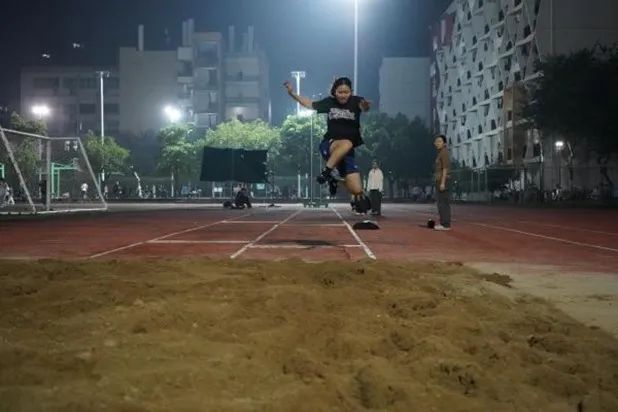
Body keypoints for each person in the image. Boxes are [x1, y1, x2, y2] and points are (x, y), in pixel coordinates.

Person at [284, 76, 371, 213]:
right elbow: (308, 103)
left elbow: (364, 107)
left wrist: (365, 106)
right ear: (334, 92)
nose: (343, 95)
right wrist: (292, 93)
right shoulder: (329, 102)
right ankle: (327, 172)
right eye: (340, 92)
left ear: (351, 92)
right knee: (347, 142)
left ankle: (334, 179)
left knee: (357, 190)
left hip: (347, 153)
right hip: (330, 145)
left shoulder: (356, 101)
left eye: (346, 92)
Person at [434, 134, 451, 231]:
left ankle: (445, 224)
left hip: (443, 180)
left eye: (440, 141)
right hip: (439, 180)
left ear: (444, 143)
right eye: (436, 141)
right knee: (440, 203)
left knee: (443, 203)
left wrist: (443, 182)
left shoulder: (444, 153)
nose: (437, 143)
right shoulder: (440, 153)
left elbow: (445, 168)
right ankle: (443, 223)